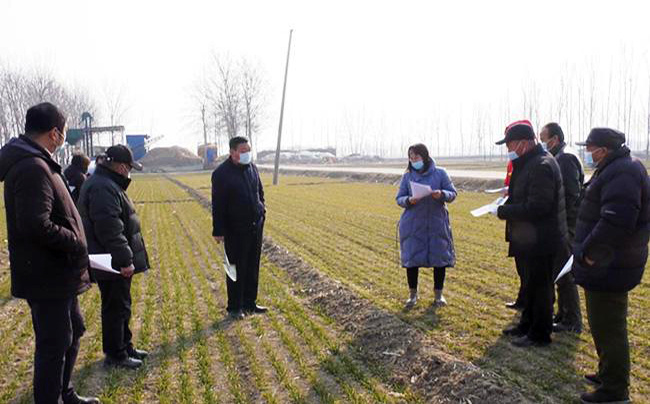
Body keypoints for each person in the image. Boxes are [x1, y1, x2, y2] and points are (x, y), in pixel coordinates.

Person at [0, 102, 99, 403]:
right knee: (54, 344)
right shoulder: (32, 167)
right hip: (46, 274)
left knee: (73, 330)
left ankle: (64, 392)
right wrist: (75, 241)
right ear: (54, 133)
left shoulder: (39, 162)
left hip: (58, 272)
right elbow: (35, 224)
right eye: (64, 132)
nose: (64, 138)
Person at [572, 128, 649, 404]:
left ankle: (615, 391)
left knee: (609, 328)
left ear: (603, 150)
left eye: (590, 149)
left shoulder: (623, 172)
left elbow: (615, 221)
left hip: (609, 265)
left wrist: (590, 254)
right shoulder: (615, 168)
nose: (587, 153)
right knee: (602, 324)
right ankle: (608, 372)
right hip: (607, 264)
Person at [493, 120, 568, 348]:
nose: (509, 150)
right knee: (530, 285)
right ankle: (526, 324)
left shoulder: (542, 165)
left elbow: (538, 207)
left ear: (524, 144)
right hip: (529, 238)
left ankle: (540, 334)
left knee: (541, 287)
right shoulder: (529, 163)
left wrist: (504, 211)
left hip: (541, 240)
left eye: (510, 145)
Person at [77, 145, 149, 369]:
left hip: (109, 256)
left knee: (121, 304)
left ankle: (125, 346)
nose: (129, 172)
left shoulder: (105, 183)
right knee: (115, 307)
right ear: (120, 167)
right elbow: (110, 229)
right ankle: (116, 354)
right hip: (109, 259)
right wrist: (124, 260)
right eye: (129, 167)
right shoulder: (103, 188)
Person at [212, 136, 267, 320]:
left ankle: (250, 302)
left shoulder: (252, 168)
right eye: (243, 151)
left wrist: (262, 210)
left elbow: (260, 192)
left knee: (252, 265)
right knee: (236, 267)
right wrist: (218, 230)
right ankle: (235, 307)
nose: (247, 154)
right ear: (232, 152)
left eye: (248, 150)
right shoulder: (221, 174)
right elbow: (218, 204)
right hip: (235, 229)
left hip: (255, 226)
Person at [396, 143, 457, 308]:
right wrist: (409, 200)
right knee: (412, 259)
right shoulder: (407, 177)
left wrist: (441, 194)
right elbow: (399, 198)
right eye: (411, 158)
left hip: (436, 223)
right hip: (413, 224)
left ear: (425, 156)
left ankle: (438, 295)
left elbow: (453, 193)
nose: (413, 160)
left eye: (416, 157)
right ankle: (412, 295)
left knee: (439, 259)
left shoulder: (440, 173)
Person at [540, 122, 584, 333]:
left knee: (565, 273)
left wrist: (559, 220)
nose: (542, 144)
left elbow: (570, 195)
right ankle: (563, 313)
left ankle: (572, 320)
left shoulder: (565, 158)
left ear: (555, 139)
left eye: (544, 139)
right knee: (559, 270)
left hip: (567, 224)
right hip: (563, 223)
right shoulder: (561, 156)